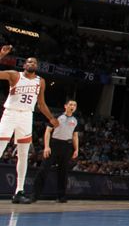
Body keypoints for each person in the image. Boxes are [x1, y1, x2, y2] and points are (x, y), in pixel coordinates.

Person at [0, 47, 59, 204]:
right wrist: (1, 55)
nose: (32, 63)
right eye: (29, 61)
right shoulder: (14, 75)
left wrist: (51, 118)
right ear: (24, 65)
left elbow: (41, 104)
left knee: (24, 155)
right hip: (10, 114)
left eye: (34, 62)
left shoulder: (41, 81)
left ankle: (19, 191)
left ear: (37, 66)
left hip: (27, 116)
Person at [33, 99, 79, 203]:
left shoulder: (75, 120)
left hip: (67, 146)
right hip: (54, 145)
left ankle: (61, 196)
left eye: (74, 105)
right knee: (44, 169)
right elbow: (48, 131)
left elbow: (75, 136)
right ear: (65, 106)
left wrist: (76, 149)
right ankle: (34, 195)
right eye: (71, 104)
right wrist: (47, 146)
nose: (73, 106)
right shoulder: (57, 116)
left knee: (63, 172)